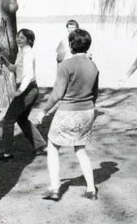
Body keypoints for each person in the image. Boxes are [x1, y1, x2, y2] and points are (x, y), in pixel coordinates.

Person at [37, 29, 99, 201]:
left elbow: (57, 94)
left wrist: (44, 111)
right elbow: (95, 94)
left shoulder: (66, 66)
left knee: (53, 146)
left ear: (72, 45)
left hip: (68, 112)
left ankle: (55, 188)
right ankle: (91, 189)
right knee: (80, 149)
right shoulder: (93, 66)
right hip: (87, 112)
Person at [0, 29, 46, 161]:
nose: (18, 39)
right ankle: (40, 146)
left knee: (8, 119)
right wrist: (5, 62)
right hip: (27, 89)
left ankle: (6, 152)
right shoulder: (21, 52)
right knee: (21, 119)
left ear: (29, 40)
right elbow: (15, 69)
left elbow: (28, 75)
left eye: (22, 38)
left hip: (28, 89)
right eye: (18, 37)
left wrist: (19, 91)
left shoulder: (28, 53)